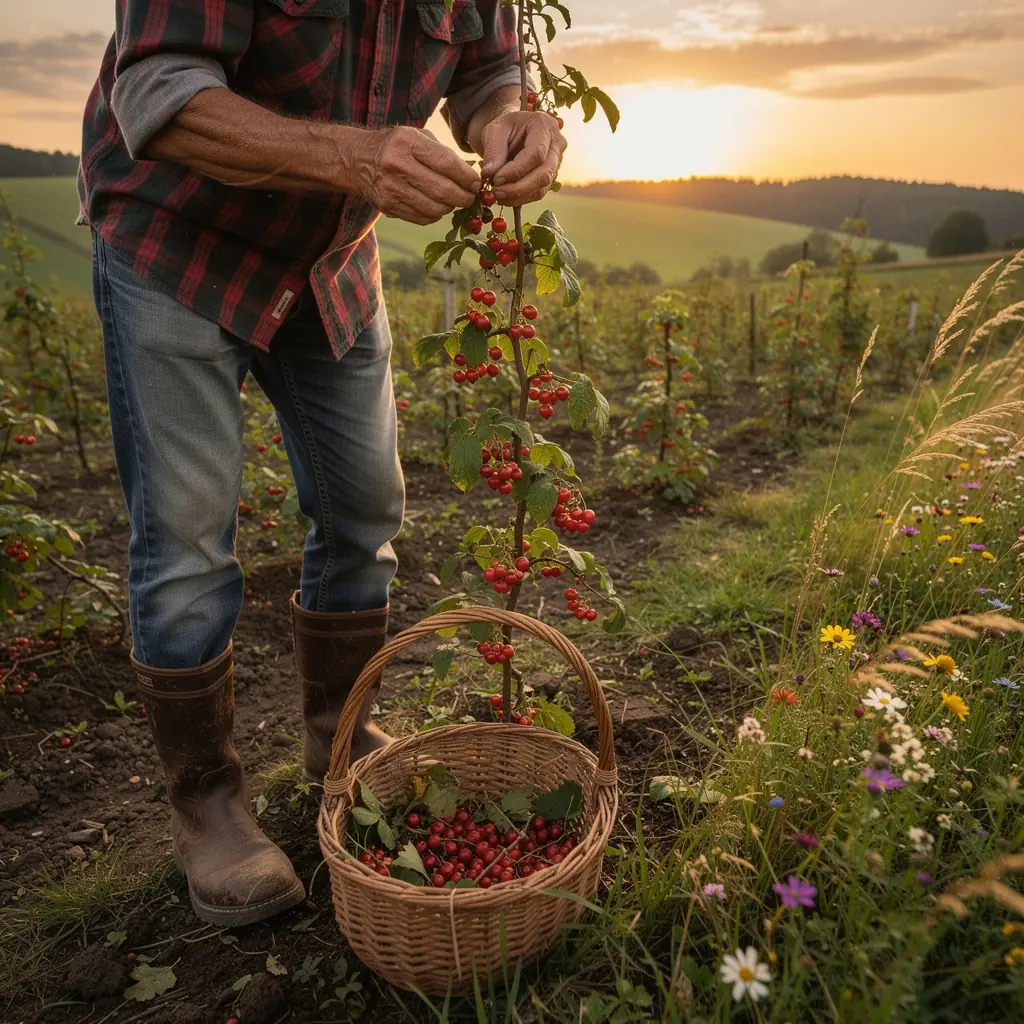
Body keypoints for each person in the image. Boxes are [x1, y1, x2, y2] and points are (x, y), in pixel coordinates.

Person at [79, 0, 565, 927]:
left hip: (328, 257)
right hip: (173, 242)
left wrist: (507, 117)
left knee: (365, 507)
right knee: (187, 536)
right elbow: (158, 88)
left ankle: (338, 740)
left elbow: (485, 67)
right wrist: (354, 157)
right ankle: (208, 802)